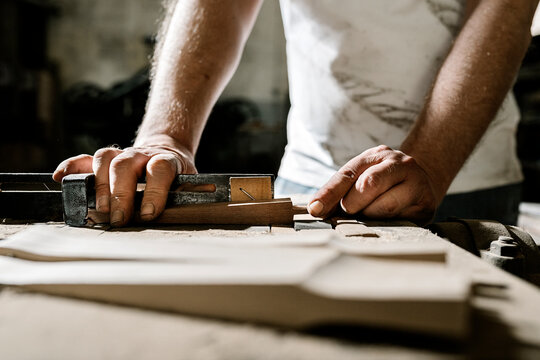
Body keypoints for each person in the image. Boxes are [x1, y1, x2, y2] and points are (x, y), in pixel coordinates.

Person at [53, 0, 539, 227]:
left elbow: (505, 8)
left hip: (463, 176)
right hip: (308, 178)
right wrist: (166, 137)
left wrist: (431, 160)